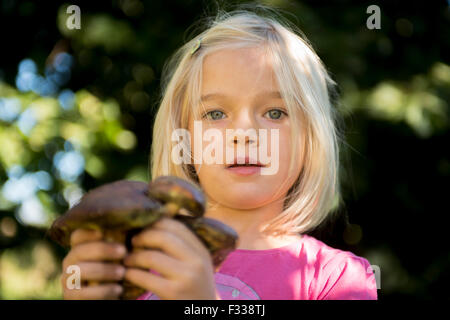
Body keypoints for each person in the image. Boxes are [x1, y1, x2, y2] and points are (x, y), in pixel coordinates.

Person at [61, 6, 378, 300]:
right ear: (184, 138)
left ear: (310, 138)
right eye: (215, 114)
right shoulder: (134, 261)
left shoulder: (336, 279)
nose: (243, 134)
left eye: (275, 112)